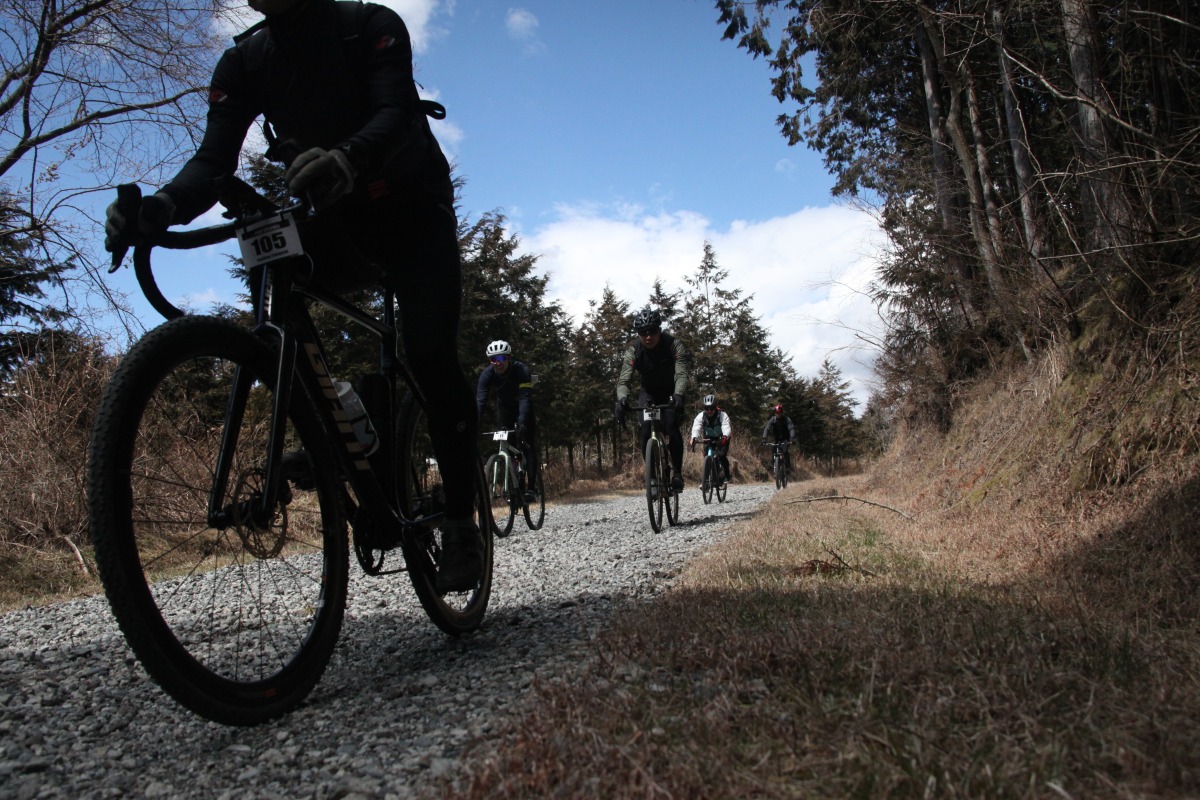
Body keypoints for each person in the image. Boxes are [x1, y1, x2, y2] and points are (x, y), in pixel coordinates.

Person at [102, 0, 483, 594]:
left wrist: (348, 157)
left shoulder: (369, 26)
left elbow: (395, 112)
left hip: (412, 210)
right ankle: (341, 431)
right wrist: (163, 206)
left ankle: (461, 522)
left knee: (430, 356)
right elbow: (213, 160)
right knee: (274, 303)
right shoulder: (244, 62)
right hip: (328, 211)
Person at [613, 307, 691, 492]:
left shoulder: (673, 345)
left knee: (671, 426)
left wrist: (679, 394)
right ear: (639, 334)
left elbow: (681, 374)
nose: (648, 337)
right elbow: (624, 380)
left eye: (652, 331)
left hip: (670, 391)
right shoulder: (634, 350)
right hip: (648, 393)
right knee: (646, 431)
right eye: (643, 333)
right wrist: (622, 399)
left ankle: (677, 474)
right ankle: (653, 478)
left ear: (659, 330)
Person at [476, 340, 540, 501]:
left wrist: (522, 422)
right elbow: (481, 401)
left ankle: (531, 489)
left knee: (528, 445)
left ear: (509, 358)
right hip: (504, 408)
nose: (498, 363)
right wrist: (475, 424)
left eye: (501, 358)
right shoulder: (487, 374)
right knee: (509, 447)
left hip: (523, 406)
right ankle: (514, 485)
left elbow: (525, 398)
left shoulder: (521, 370)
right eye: (493, 359)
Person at [690, 394, 732, 484]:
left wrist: (725, 436)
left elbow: (726, 426)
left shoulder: (722, 415)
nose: (709, 411)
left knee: (721, 455)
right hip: (709, 437)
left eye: (712, 408)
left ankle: (727, 475)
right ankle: (706, 480)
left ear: (715, 407)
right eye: (707, 408)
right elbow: (696, 427)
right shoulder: (701, 416)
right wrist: (694, 437)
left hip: (722, 437)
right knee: (707, 456)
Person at [761, 403, 798, 475]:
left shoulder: (787, 419)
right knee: (773, 450)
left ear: (782, 412)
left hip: (785, 439)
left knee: (785, 451)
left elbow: (791, 429)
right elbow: (767, 428)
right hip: (776, 439)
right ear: (775, 413)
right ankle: (774, 465)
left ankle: (787, 468)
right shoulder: (773, 419)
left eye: (779, 413)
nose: (778, 414)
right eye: (776, 413)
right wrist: (764, 438)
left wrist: (792, 438)